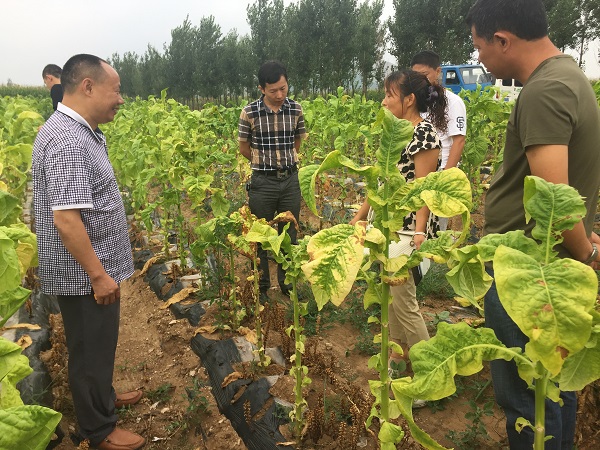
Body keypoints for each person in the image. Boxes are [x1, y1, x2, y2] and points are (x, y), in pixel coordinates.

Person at [466, 0, 600, 448]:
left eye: (480, 46)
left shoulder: (545, 90)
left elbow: (553, 201)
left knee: (529, 400)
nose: (480, 58)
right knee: (556, 386)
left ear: (503, 40)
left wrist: (588, 253)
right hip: (545, 267)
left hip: (531, 273)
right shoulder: (568, 76)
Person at [32, 54, 145, 450]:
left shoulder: (79, 131)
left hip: (89, 270)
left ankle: (102, 398)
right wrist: (98, 274)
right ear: (88, 87)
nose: (121, 99)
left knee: (97, 343)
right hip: (83, 274)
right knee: (89, 346)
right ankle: (98, 430)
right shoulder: (66, 140)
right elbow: (66, 219)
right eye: (116, 90)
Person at [350, 70, 448, 407]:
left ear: (408, 99)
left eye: (389, 95)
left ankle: (426, 379)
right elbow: (380, 183)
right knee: (389, 297)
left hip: (409, 230)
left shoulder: (425, 135)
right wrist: (359, 217)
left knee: (404, 303)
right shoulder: (394, 132)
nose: (384, 101)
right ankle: (394, 362)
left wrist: (420, 233)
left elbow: (423, 190)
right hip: (388, 227)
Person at [238, 60, 307, 301]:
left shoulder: (296, 109)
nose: (279, 95)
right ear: (261, 89)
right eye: (273, 90)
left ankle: (287, 284)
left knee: (289, 234)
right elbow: (244, 147)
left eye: (283, 88)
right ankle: (263, 287)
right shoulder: (249, 113)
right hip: (262, 183)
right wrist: (264, 164)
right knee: (262, 236)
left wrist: (285, 161)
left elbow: (298, 141)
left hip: (290, 180)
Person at [411, 51, 467, 233]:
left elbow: (458, 141)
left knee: (434, 226)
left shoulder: (453, 102)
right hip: (419, 174)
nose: (422, 80)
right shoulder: (418, 101)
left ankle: (430, 261)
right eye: (416, 76)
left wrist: (444, 178)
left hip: (440, 172)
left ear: (438, 71)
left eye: (425, 75)